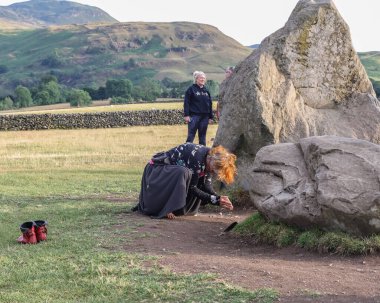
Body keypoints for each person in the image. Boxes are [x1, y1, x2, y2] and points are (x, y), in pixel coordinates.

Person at [136, 142, 236, 219]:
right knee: (183, 172)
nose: (212, 172)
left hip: (168, 174)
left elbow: (206, 185)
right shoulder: (198, 158)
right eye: (213, 169)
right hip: (157, 171)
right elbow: (193, 188)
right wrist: (215, 201)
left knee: (191, 175)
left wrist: (218, 198)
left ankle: (178, 209)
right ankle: (165, 208)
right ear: (212, 160)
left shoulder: (209, 157)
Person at [184, 71, 213, 146]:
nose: (202, 79)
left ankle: (202, 154)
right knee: (191, 136)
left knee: (202, 137)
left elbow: (210, 104)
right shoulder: (191, 89)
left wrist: (210, 117)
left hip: (205, 117)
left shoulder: (206, 91)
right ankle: (186, 152)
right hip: (194, 116)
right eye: (201, 78)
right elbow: (186, 102)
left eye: (204, 78)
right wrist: (186, 115)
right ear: (196, 79)